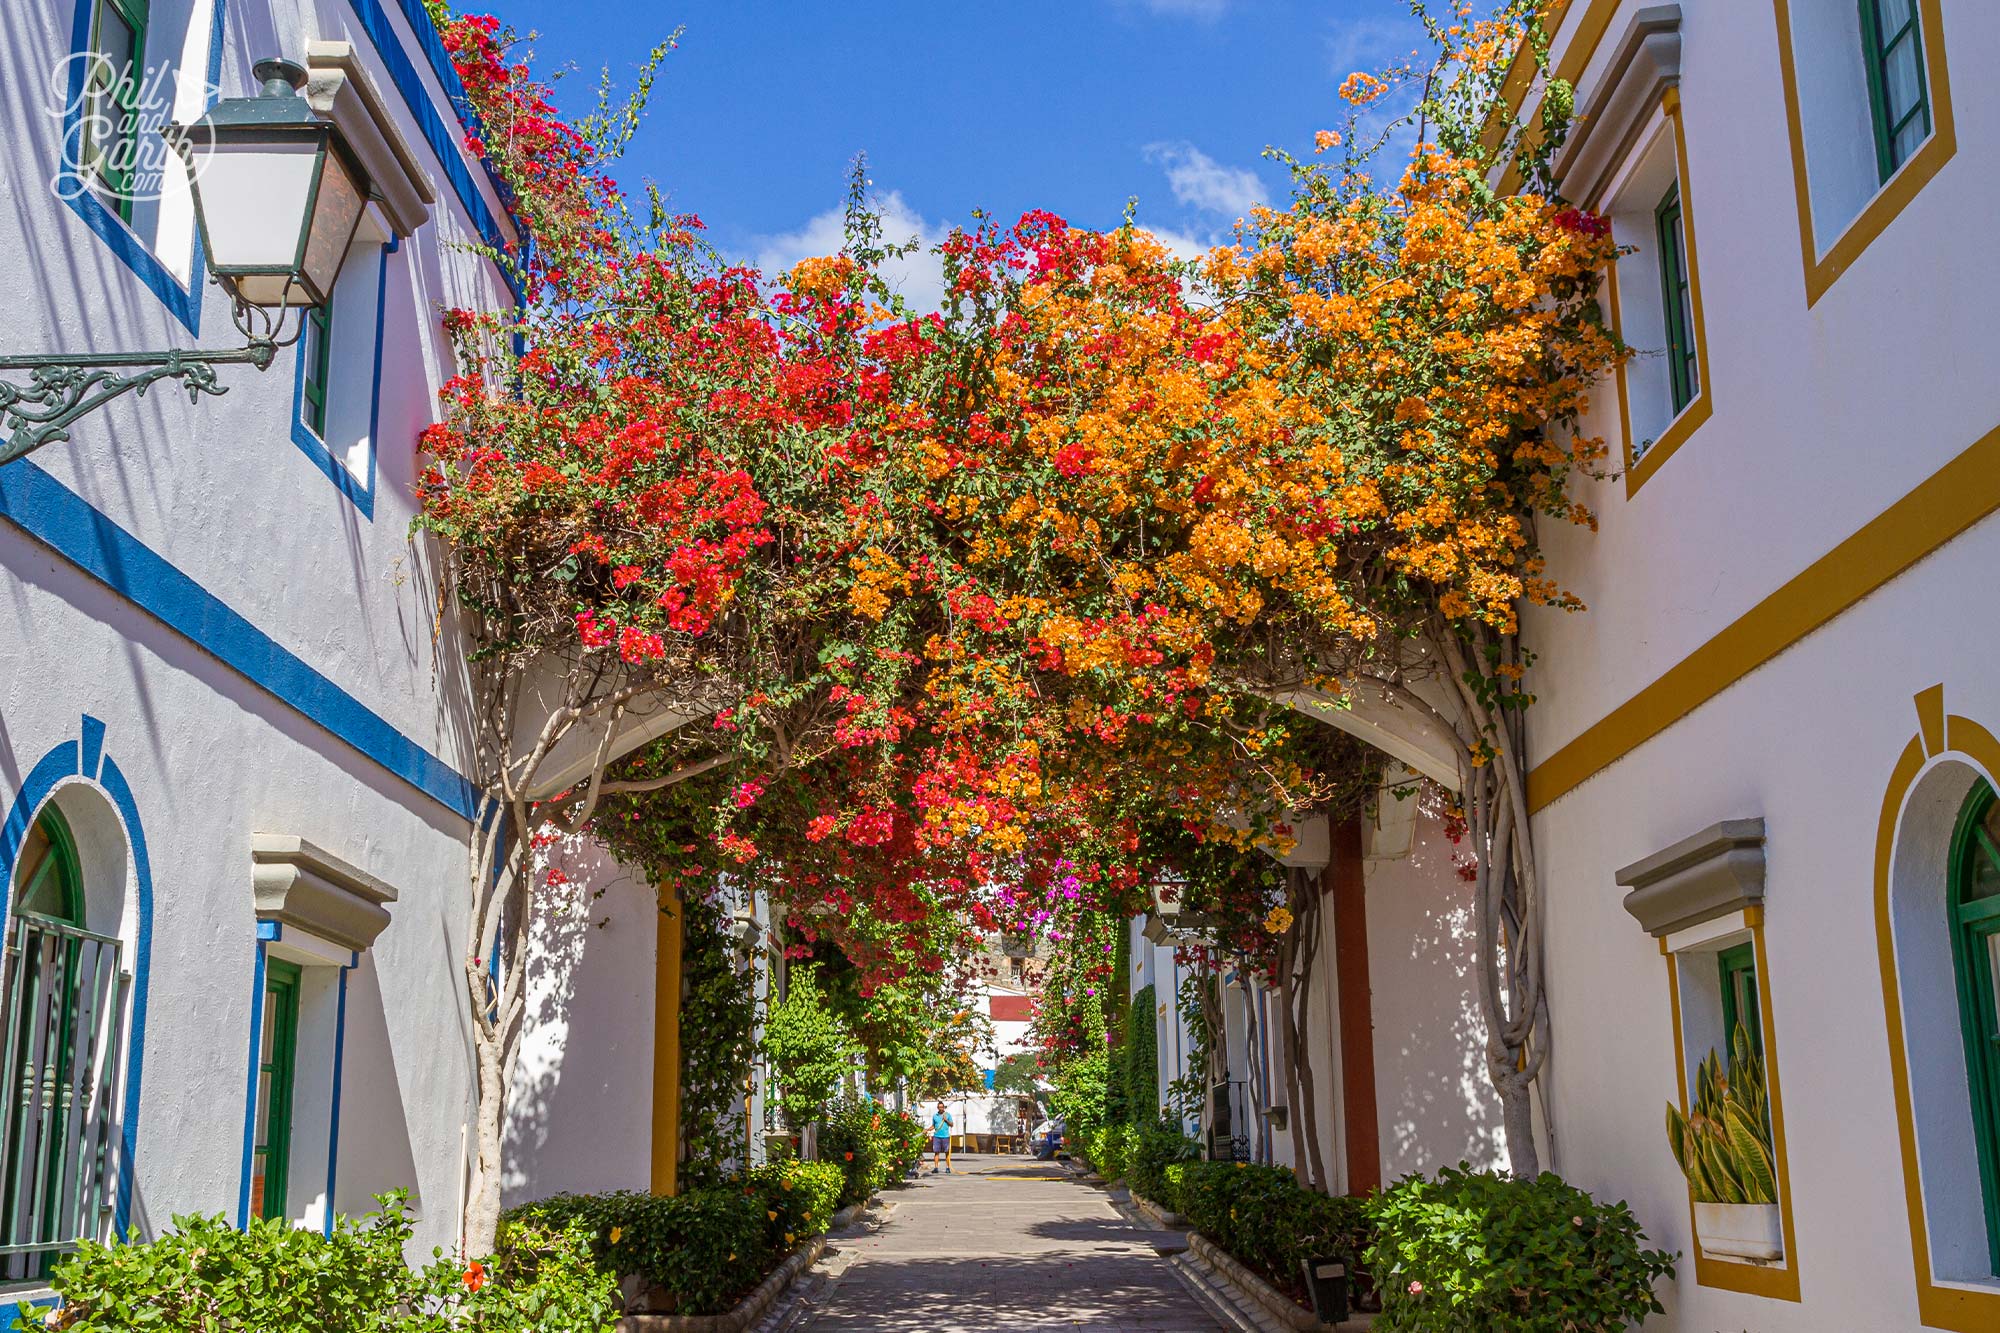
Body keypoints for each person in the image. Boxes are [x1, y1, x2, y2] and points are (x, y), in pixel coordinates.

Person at [929, 1101, 954, 1174]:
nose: (941, 1108)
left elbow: (952, 1124)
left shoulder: (947, 1115)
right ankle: (936, 1168)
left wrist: (946, 1120)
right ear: (937, 1108)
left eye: (942, 1107)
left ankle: (947, 1167)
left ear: (944, 1107)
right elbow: (933, 1125)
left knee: (947, 1152)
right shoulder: (935, 1116)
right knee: (936, 1152)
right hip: (937, 1136)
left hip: (945, 1136)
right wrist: (927, 1129)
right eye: (939, 1107)